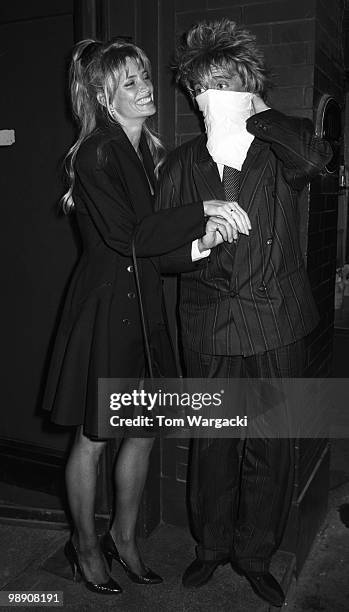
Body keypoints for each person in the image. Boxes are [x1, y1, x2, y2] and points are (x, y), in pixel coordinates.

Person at [42, 38, 250, 596]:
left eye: (144, 76)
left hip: (146, 305)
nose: (145, 86)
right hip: (108, 309)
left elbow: (157, 250)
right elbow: (130, 237)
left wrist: (201, 242)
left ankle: (125, 539)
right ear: (105, 96)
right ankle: (86, 548)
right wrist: (201, 209)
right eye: (129, 81)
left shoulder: (147, 155)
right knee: (95, 436)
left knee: (143, 431)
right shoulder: (97, 154)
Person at [156, 18, 332, 607]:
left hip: (276, 323)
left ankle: (255, 555)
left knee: (271, 445)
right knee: (213, 444)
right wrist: (200, 242)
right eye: (206, 83)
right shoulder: (181, 164)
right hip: (206, 327)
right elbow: (162, 256)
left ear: (249, 83)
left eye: (228, 79)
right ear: (193, 91)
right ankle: (210, 549)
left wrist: (258, 112)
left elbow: (316, 159)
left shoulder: (283, 144)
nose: (217, 92)